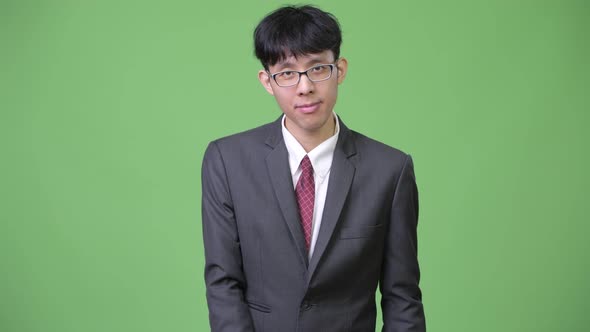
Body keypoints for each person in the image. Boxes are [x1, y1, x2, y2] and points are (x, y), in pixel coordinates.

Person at [201, 5, 426, 331]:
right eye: (287, 73)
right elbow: (223, 283)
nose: (304, 86)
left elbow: (402, 297)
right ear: (267, 81)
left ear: (340, 70)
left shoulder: (390, 170)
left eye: (318, 68)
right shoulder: (227, 161)